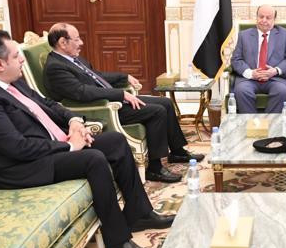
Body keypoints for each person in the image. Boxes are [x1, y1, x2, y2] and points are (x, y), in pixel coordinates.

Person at [0, 30, 173, 248]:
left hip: (48, 146)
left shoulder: (12, 82)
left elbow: (48, 104)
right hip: (20, 167)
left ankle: (139, 214)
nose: (21, 59)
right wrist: (69, 146)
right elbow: (17, 148)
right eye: (16, 56)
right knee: (93, 159)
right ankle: (118, 244)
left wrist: (74, 122)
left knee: (115, 141)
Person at [42, 23, 203, 184]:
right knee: (157, 111)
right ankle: (155, 169)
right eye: (77, 39)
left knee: (165, 102)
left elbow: (96, 76)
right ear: (63, 42)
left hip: (109, 100)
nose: (81, 43)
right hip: (100, 109)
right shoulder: (55, 67)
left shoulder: (74, 59)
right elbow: (82, 92)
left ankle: (177, 152)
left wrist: (124, 77)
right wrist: (120, 94)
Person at [230, 4, 286, 113]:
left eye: (268, 17)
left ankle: (269, 122)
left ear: (274, 20)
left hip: (275, 79)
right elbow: (236, 59)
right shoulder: (244, 35)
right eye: (261, 16)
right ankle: (252, 122)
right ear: (256, 17)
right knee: (241, 90)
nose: (264, 20)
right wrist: (250, 73)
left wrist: (275, 70)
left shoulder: (284, 35)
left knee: (281, 91)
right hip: (249, 79)